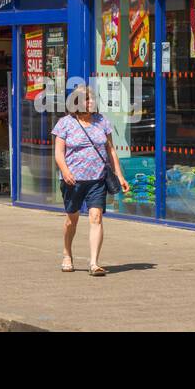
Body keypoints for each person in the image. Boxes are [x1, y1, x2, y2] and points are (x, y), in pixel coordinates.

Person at [52, 84, 130, 276]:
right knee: (72, 219)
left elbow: (110, 150)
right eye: (87, 99)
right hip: (73, 180)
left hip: (97, 178)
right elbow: (59, 153)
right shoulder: (65, 123)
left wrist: (119, 175)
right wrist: (65, 171)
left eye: (92, 99)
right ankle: (67, 254)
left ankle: (94, 262)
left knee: (96, 217)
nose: (92, 102)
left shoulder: (102, 121)